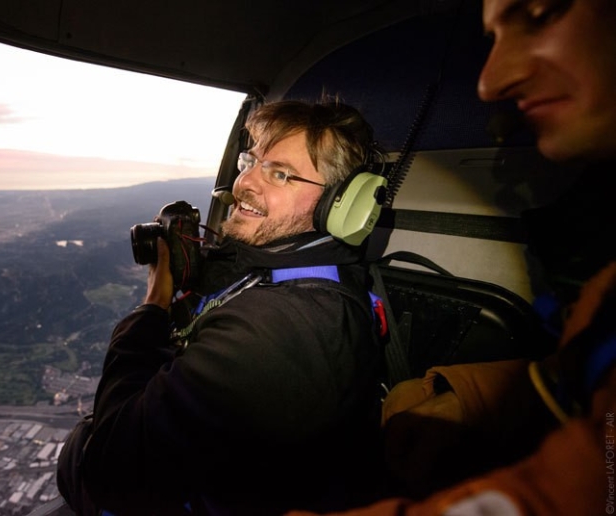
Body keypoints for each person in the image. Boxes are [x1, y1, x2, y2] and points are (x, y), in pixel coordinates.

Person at [286, 0, 616, 514]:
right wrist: (472, 397)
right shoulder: (597, 268)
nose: (489, 85)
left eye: (541, 13)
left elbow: (587, 488)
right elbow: (588, 378)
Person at [56, 99, 386, 515]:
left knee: (77, 458)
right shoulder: (320, 274)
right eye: (250, 161)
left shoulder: (282, 326)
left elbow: (113, 474)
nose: (244, 182)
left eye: (279, 173)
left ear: (342, 205)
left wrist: (153, 306)